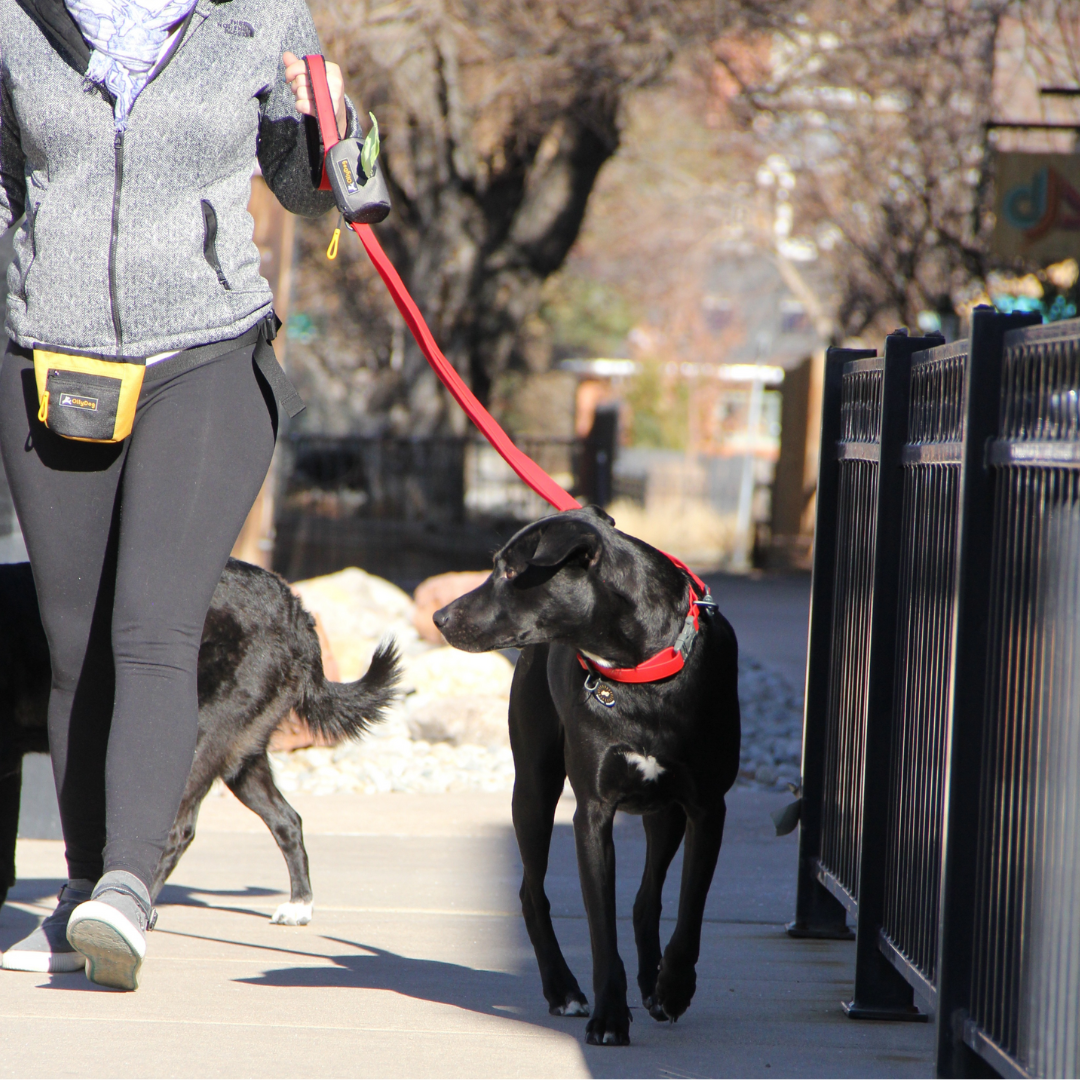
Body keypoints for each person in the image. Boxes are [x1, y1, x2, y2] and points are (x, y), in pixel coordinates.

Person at [0, 0, 355, 990]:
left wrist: (333, 137)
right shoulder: (13, 20)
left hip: (204, 351)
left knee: (152, 630)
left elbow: (309, 191)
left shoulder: (262, 16)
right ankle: (83, 890)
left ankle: (126, 888)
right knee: (74, 646)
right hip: (47, 359)